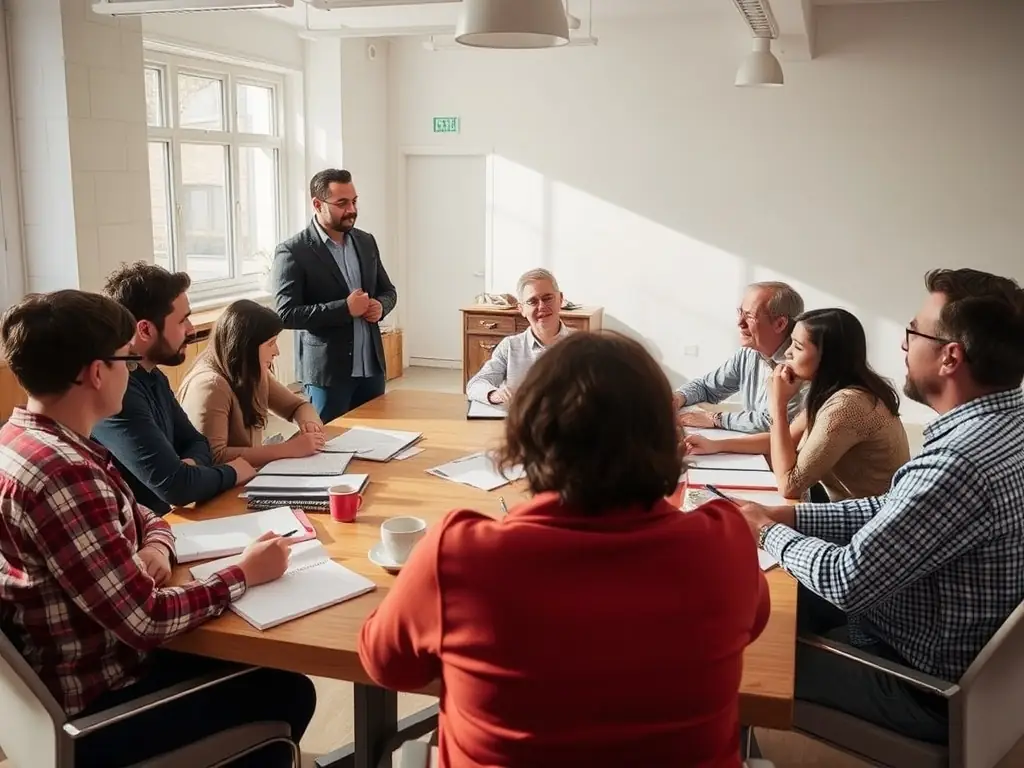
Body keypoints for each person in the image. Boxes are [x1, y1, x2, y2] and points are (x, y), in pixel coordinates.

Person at [360, 331, 770, 767]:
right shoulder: (725, 544)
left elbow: (388, 666)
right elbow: (753, 622)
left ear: (526, 437)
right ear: (666, 438)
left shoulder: (458, 554)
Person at [0, 290, 315, 768]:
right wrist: (243, 573)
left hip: (63, 693)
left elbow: (144, 513)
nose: (135, 369)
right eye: (127, 358)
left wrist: (157, 547)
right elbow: (147, 619)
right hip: (99, 707)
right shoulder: (65, 473)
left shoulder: (26, 441)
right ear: (96, 372)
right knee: (289, 690)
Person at [735, 268, 1024, 743]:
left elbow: (847, 580)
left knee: (742, 651)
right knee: (762, 597)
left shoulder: (956, 463)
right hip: (940, 641)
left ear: (951, 357)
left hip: (921, 684)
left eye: (913, 331)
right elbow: (892, 508)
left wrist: (766, 532)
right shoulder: (1000, 428)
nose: (905, 345)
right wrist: (790, 514)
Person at [687, 308, 909, 501]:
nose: (787, 353)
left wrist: (778, 404)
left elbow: (789, 486)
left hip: (865, 525)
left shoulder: (847, 405)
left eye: (798, 347)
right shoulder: (833, 392)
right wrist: (716, 446)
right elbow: (783, 441)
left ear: (828, 358)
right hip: (842, 507)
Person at [91, 263, 255, 516]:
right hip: (140, 541)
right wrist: (235, 470)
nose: (190, 328)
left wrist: (189, 468)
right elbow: (177, 488)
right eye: (182, 319)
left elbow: (197, 442)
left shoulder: (153, 375)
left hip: (163, 527)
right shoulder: (118, 393)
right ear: (144, 329)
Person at [270, 169, 398, 424]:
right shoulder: (293, 251)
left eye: (354, 201)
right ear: (317, 204)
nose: (351, 209)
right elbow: (285, 314)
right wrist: (344, 308)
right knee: (329, 448)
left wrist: (380, 306)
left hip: (371, 368)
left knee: (377, 441)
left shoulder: (366, 242)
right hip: (327, 376)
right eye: (342, 203)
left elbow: (388, 291)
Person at [178, 299, 327, 466]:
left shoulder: (249, 371)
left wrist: (310, 425)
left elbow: (298, 407)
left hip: (245, 477)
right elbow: (213, 456)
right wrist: (289, 449)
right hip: (222, 487)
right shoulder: (210, 386)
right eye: (271, 344)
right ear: (246, 347)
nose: (276, 352)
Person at [676, 281, 805, 433]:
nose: (740, 323)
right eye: (740, 313)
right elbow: (706, 387)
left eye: (749, 316)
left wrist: (716, 419)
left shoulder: (800, 365)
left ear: (780, 324)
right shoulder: (749, 353)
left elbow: (773, 423)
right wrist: (677, 398)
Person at [466, 268, 573, 405]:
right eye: (532, 301)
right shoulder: (509, 346)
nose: (541, 306)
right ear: (521, 309)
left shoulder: (582, 345)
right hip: (521, 422)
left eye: (547, 298)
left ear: (561, 299)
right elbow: (475, 385)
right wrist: (494, 394)